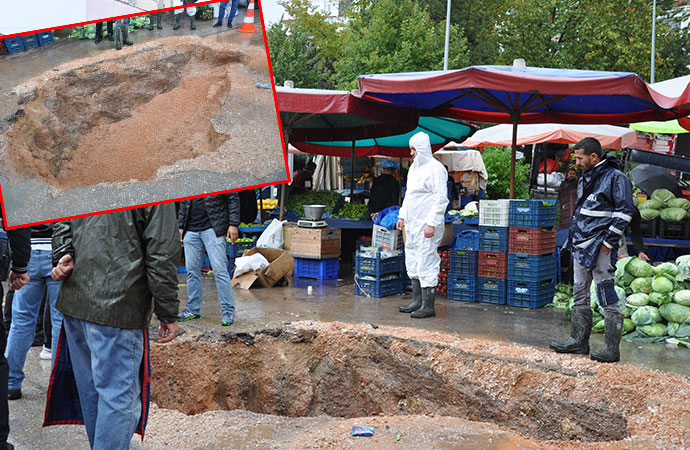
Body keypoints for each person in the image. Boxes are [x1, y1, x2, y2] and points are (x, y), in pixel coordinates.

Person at [46, 205, 180, 449]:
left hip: (78, 302)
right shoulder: (156, 182)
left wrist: (63, 253)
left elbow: (62, 216)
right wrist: (168, 310)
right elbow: (162, 253)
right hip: (119, 306)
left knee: (94, 393)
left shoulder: (85, 170)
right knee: (117, 398)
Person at [550, 137, 634, 363]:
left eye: (579, 158)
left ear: (593, 156)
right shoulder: (585, 178)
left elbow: (625, 212)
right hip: (580, 245)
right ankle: (578, 341)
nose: (576, 162)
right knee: (579, 294)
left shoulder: (617, 178)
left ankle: (611, 349)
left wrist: (608, 243)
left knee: (606, 295)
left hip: (601, 248)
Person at [6, 224, 63, 401]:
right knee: (60, 321)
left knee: (21, 321)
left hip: (27, 248)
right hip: (57, 250)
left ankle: (11, 383)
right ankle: (58, 386)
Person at [396, 132, 448, 319]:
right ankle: (417, 300)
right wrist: (402, 216)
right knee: (413, 259)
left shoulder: (436, 169)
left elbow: (441, 198)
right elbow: (409, 195)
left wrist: (431, 223)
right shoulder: (414, 169)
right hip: (412, 223)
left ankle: (428, 305)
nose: (411, 153)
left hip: (427, 224)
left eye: (413, 149)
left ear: (423, 149)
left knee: (426, 259)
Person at [177, 193, 240, 325]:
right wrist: (180, 226)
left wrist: (233, 224)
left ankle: (228, 310)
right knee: (192, 271)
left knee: (220, 271)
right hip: (191, 230)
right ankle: (192, 309)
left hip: (214, 228)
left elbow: (232, 198)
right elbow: (183, 202)